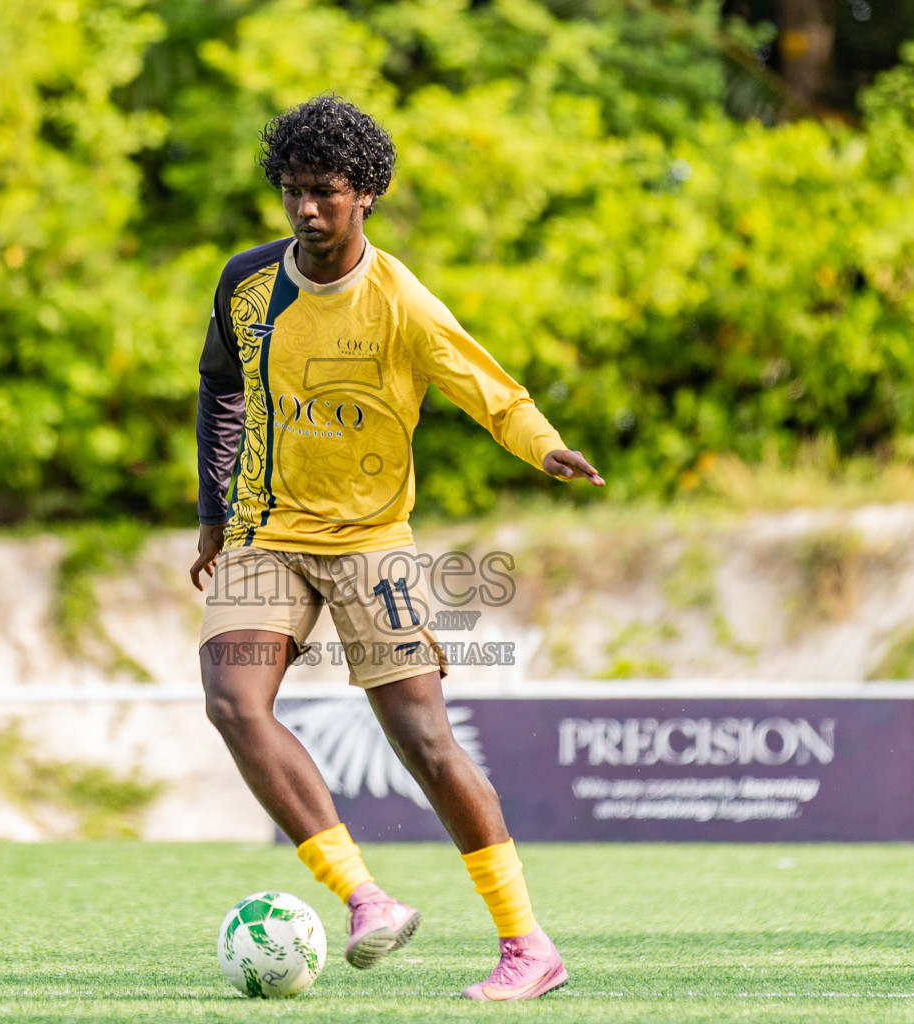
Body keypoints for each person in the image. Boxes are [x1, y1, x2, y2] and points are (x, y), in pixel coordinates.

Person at [190, 95, 602, 1002]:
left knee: (424, 743)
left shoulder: (401, 301)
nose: (307, 210)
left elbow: (489, 390)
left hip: (373, 542)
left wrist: (544, 446)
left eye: (326, 193)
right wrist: (214, 513)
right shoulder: (245, 284)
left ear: (366, 194)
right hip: (265, 534)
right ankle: (363, 897)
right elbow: (220, 389)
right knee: (231, 700)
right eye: (294, 192)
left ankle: (528, 946)